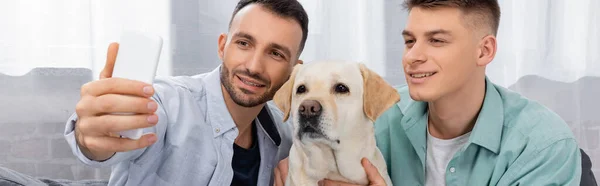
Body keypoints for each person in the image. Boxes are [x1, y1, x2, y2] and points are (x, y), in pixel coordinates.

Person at [274, 0, 582, 185]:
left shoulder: (543, 145)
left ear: (484, 50)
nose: (411, 57)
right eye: (410, 41)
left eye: (436, 41)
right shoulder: (372, 116)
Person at [63, 0, 308, 185]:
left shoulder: (288, 135)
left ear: (294, 71)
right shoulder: (168, 103)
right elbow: (114, 137)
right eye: (244, 43)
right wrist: (93, 138)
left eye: (276, 53)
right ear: (223, 46)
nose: (254, 66)